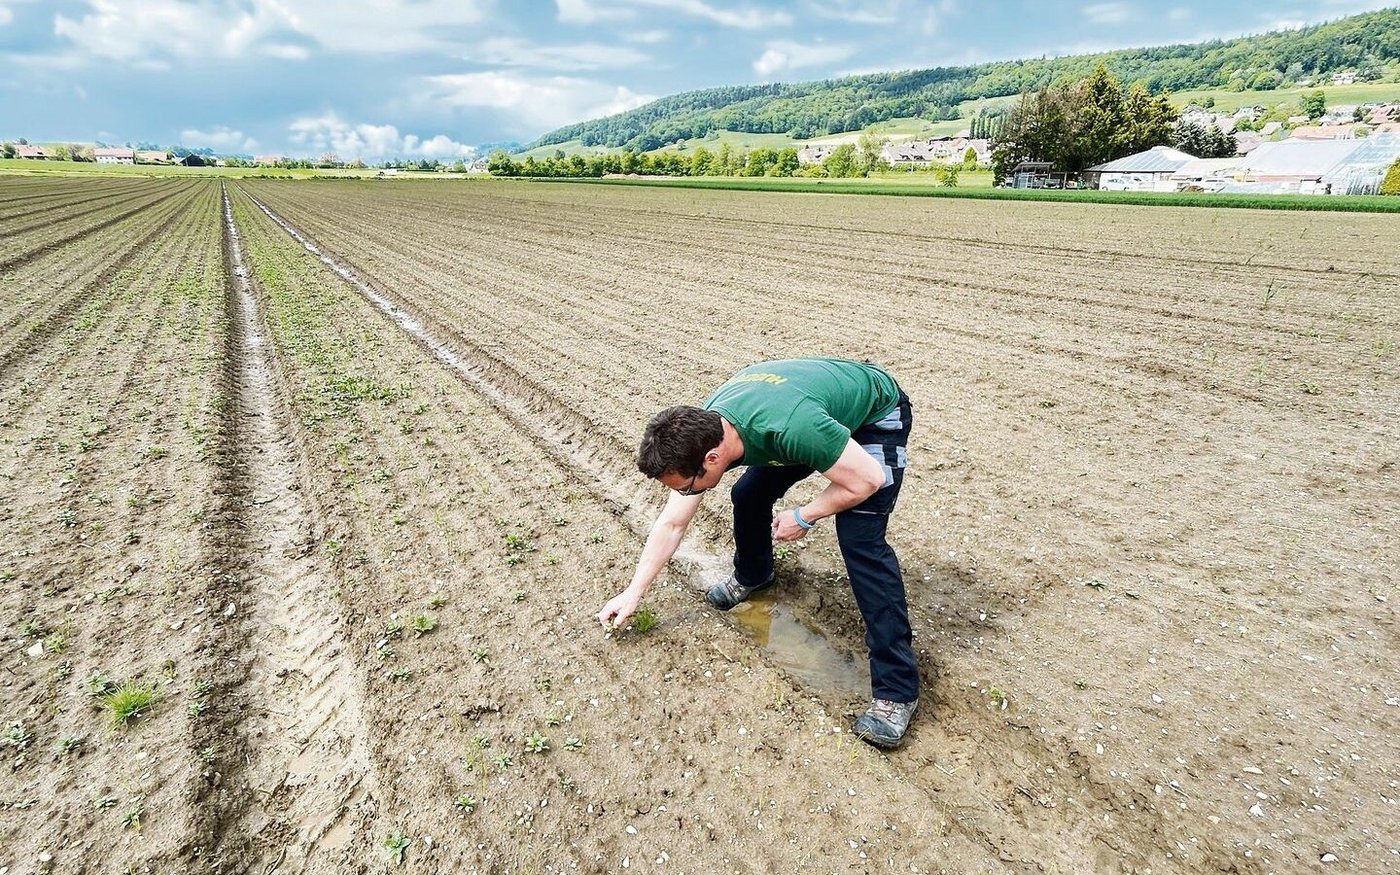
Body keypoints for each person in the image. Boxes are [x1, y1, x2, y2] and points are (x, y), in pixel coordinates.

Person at [596, 357, 919, 748]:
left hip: (872, 414)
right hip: (809, 411)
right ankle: (754, 574)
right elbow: (672, 523)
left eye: (686, 486)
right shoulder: (706, 431)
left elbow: (868, 479)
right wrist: (633, 592)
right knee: (748, 494)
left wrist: (805, 515)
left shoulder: (791, 427)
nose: (685, 495)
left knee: (860, 542)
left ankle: (897, 691)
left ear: (711, 459)